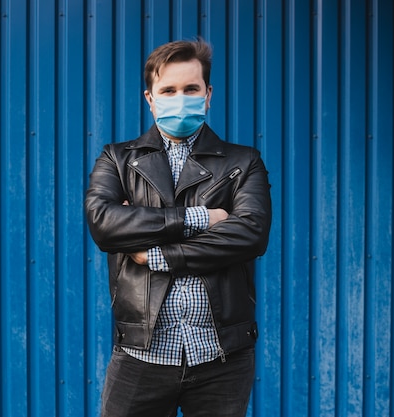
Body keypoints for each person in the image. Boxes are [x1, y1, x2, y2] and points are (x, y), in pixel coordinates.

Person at [85, 39, 272, 417]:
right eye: (168, 90)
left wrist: (158, 254)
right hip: (140, 354)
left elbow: (250, 234)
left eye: (191, 89)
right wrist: (201, 218)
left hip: (222, 358)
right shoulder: (118, 160)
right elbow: (104, 224)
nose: (180, 98)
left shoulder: (243, 162)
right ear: (150, 98)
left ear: (208, 94)